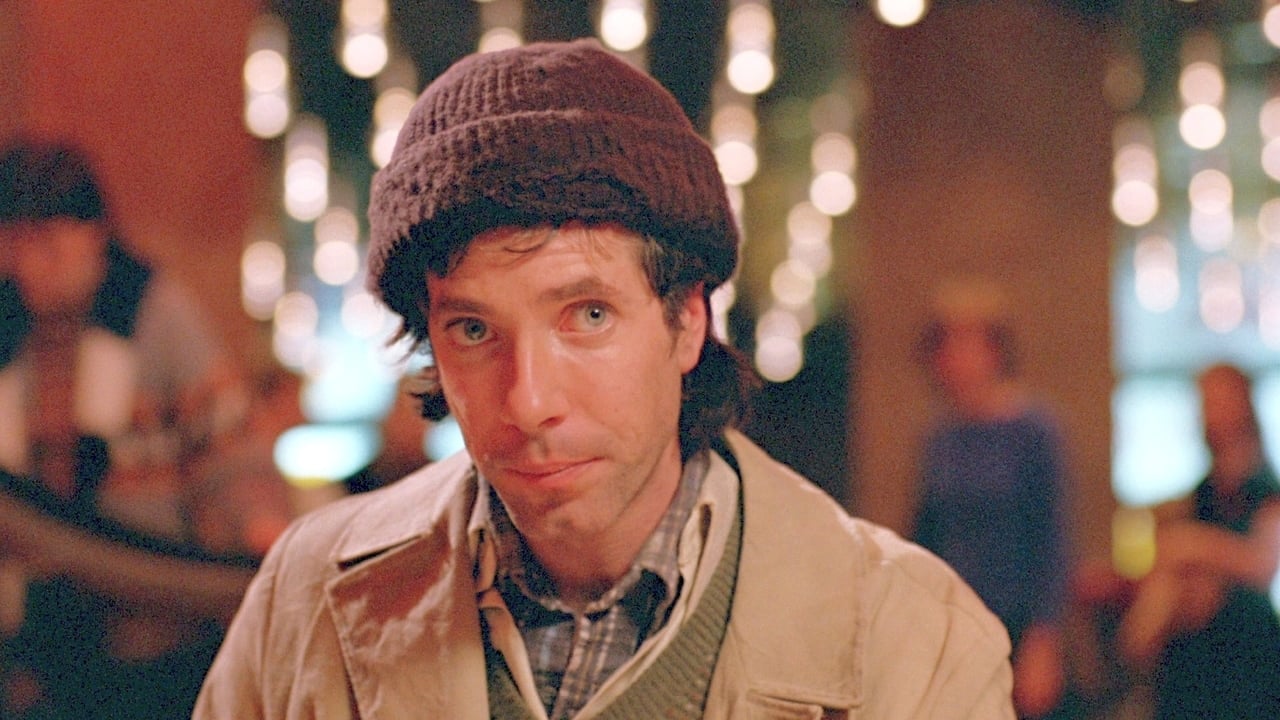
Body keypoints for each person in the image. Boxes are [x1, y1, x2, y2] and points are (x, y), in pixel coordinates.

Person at [195, 39, 1015, 719]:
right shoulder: (303, 599)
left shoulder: (916, 642)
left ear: (688, 320)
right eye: (473, 330)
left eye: (587, 316)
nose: (528, 401)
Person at [0, 138, 273, 719]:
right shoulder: (10, 335)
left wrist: (260, 535)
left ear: (93, 235)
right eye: (16, 246)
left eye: (47, 245)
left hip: (158, 635)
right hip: (43, 639)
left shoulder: (155, 313)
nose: (28, 267)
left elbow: (228, 447)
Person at [911, 278, 1071, 718]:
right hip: (953, 623)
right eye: (946, 344)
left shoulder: (1034, 431)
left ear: (995, 349)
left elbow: (1052, 540)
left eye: (966, 343)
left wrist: (1044, 640)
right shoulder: (940, 437)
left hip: (1016, 622)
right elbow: (926, 537)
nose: (954, 357)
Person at [1117, 363, 1280, 719]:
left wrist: (1194, 547)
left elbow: (1263, 564)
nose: (1212, 412)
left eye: (1221, 400)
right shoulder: (1202, 495)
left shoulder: (1265, 489)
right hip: (1196, 661)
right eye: (1207, 401)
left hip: (1248, 657)